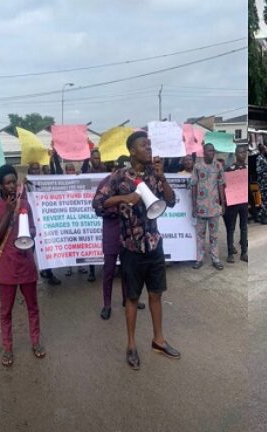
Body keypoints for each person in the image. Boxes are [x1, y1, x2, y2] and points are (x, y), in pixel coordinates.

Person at [93, 131, 180, 369]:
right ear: (132, 151)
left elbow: (171, 202)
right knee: (132, 298)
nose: (149, 148)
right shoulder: (118, 177)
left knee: (156, 294)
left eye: (150, 144)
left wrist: (162, 178)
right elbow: (98, 204)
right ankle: (131, 345)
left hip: (154, 244)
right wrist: (125, 197)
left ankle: (158, 340)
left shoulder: (154, 173)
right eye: (144, 145)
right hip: (130, 248)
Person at [0, 164, 44, 367]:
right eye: (8, 183)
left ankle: (36, 342)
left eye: (14, 182)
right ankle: (8, 347)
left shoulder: (25, 204)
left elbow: (33, 229)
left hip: (26, 263)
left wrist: (31, 233)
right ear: (0, 185)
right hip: (7, 267)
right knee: (6, 311)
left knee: (33, 307)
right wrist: (9, 213)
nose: (12, 186)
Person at [93, 157, 145, 320]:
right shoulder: (106, 183)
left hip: (127, 229)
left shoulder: (134, 183)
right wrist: (115, 208)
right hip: (111, 228)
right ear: (115, 168)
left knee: (127, 269)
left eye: (126, 168)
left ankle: (127, 299)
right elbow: (97, 207)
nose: (123, 171)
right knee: (109, 270)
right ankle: (107, 305)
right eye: (120, 168)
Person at [191, 143, 227, 270]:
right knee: (200, 235)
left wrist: (223, 204)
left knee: (214, 236)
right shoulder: (197, 166)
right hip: (201, 207)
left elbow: (221, 185)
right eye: (210, 151)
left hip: (214, 207)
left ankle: (215, 259)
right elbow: (194, 185)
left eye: (213, 151)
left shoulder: (218, 166)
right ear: (204, 152)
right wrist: (194, 205)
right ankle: (199, 259)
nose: (212, 153)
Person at [25, 162, 62, 286]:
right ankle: (27, 276)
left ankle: (49, 273)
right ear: (29, 171)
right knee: (30, 250)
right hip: (30, 223)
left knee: (46, 249)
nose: (36, 171)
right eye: (34, 169)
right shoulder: (24, 186)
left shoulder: (43, 184)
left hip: (43, 223)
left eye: (38, 169)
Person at [81, 149, 108, 282]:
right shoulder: (87, 173)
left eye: (98, 158)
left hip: (105, 208)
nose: (96, 160)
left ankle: (109, 268)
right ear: (90, 160)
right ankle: (92, 271)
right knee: (91, 241)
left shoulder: (107, 171)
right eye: (94, 158)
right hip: (90, 210)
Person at [223, 145, 249, 263]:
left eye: (244, 152)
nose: (243, 155)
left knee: (244, 227)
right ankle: (230, 254)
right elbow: (225, 186)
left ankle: (244, 252)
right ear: (236, 154)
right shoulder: (230, 169)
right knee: (231, 228)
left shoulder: (247, 169)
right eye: (240, 152)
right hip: (233, 203)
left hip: (244, 202)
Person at [256, 144, 267, 225]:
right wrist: (265, 176)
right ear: (263, 149)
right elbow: (259, 170)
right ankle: (263, 217)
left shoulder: (263, 158)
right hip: (263, 182)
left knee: (265, 199)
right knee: (264, 200)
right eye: (266, 149)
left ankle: (262, 215)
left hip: (265, 181)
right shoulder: (259, 158)